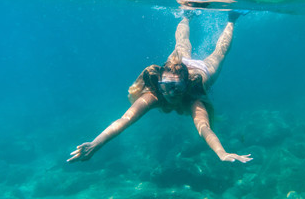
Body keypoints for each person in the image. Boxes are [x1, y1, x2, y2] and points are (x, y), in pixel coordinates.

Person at [67, 10, 253, 163]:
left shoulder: (192, 97)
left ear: (185, 85)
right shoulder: (154, 95)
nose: (171, 93)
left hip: (202, 70)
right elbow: (124, 120)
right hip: (182, 65)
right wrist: (95, 144)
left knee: (219, 53)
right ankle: (186, 15)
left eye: (177, 87)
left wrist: (221, 153)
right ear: (159, 83)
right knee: (181, 44)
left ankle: (232, 19)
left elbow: (204, 128)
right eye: (166, 86)